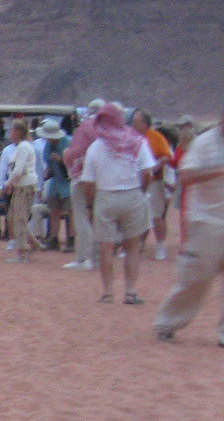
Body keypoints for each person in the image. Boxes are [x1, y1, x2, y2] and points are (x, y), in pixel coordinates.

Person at [155, 107, 224, 344]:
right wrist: (220, 170)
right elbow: (186, 176)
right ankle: (167, 323)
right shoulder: (204, 143)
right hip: (207, 220)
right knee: (196, 277)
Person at [82, 103, 156, 304]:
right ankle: (130, 292)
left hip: (105, 197)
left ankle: (107, 292)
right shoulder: (137, 141)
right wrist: (141, 191)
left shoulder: (96, 147)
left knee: (106, 248)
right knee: (132, 246)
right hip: (132, 195)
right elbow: (148, 172)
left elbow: (88, 182)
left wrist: (90, 205)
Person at [62, 100, 105, 270]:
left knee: (81, 216)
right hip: (104, 179)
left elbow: (74, 152)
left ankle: (82, 258)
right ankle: (96, 258)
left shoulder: (85, 127)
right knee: (98, 217)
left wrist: (69, 163)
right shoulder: (109, 129)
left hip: (82, 178)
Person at [131, 110, 173, 261]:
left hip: (155, 181)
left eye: (137, 121)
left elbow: (166, 156)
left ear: (145, 123)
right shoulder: (131, 137)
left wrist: (154, 166)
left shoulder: (156, 137)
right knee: (136, 215)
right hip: (135, 182)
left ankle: (160, 246)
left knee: (156, 215)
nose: (134, 124)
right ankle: (136, 245)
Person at [3, 119, 39, 257]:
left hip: (25, 186)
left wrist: (8, 184)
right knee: (15, 216)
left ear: (17, 132)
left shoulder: (24, 147)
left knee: (19, 218)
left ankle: (22, 251)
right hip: (22, 185)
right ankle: (32, 243)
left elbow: (18, 170)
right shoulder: (22, 146)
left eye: (12, 130)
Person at [36, 117, 71, 250]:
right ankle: (54, 238)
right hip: (55, 182)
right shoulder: (48, 146)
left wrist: (61, 160)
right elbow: (47, 162)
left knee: (70, 212)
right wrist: (49, 171)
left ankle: (71, 239)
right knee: (54, 211)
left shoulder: (67, 143)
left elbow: (73, 163)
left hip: (67, 182)